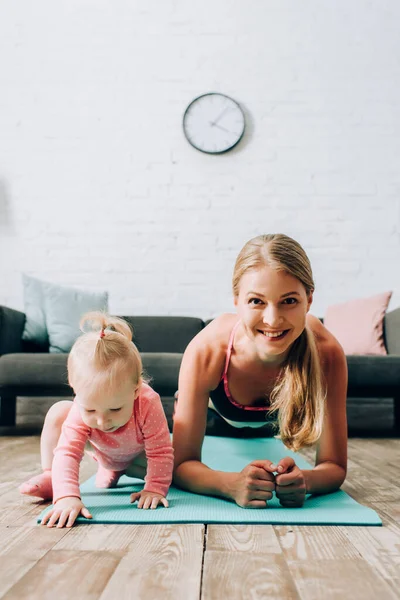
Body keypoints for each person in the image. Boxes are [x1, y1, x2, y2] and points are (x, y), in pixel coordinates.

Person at [172, 233, 348, 509]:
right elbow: (181, 463)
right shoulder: (208, 349)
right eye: (256, 301)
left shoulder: (327, 353)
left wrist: (306, 480)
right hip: (218, 426)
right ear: (236, 300)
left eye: (289, 301)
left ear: (309, 300)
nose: (272, 319)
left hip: (278, 436)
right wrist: (229, 485)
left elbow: (334, 465)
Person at [20, 312, 174, 528]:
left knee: (176, 475)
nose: (102, 421)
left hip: (138, 459)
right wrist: (66, 497)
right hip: (102, 453)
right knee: (58, 411)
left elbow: (160, 452)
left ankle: (117, 470)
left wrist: (154, 488)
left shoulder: (148, 401)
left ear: (136, 389)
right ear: (75, 391)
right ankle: (51, 477)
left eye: (115, 408)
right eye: (91, 409)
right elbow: (68, 452)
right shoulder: (79, 408)